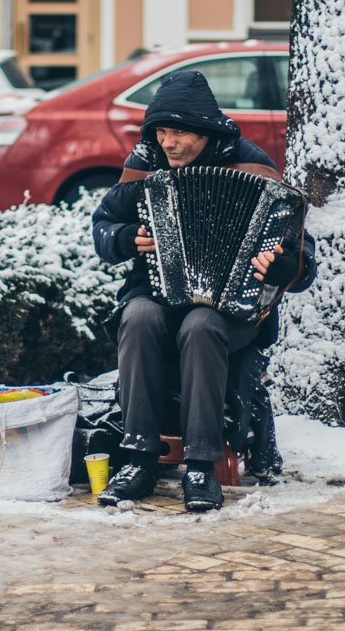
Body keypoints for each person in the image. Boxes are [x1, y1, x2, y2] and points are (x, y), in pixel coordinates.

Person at [90, 70, 318, 512]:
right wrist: (125, 238)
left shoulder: (250, 164)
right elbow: (103, 226)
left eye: (178, 133)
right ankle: (138, 458)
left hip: (232, 308)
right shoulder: (147, 161)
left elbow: (301, 260)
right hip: (157, 295)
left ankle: (200, 465)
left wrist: (282, 264)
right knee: (137, 317)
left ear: (205, 130)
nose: (168, 143)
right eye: (161, 132)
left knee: (200, 325)